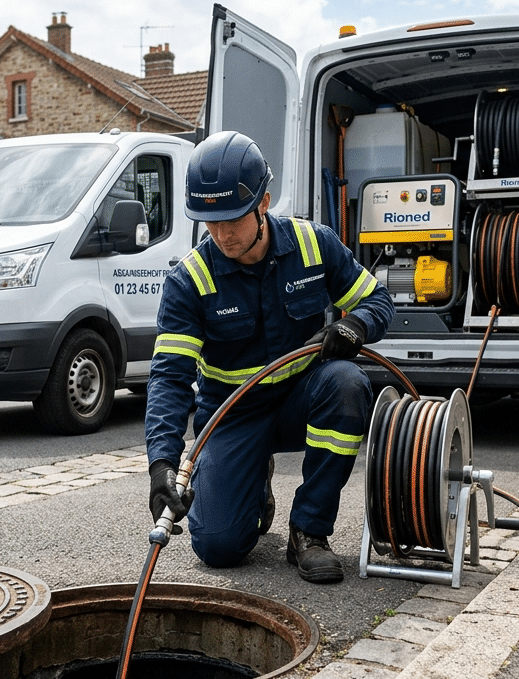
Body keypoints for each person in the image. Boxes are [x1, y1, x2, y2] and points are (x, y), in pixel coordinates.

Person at [145, 131, 394, 584]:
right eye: (209, 222)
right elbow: (170, 378)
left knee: (347, 382)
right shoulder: (190, 282)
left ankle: (309, 531)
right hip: (233, 415)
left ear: (263, 202)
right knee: (219, 547)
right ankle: (252, 485)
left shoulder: (313, 245)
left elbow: (377, 300)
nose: (221, 234)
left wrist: (354, 325)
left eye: (232, 220)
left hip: (302, 398)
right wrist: (162, 463)